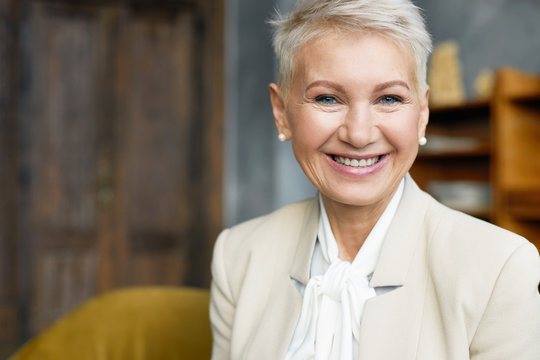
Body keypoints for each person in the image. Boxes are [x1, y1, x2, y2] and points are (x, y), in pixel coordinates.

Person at [209, 0, 540, 359]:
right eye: (328, 98)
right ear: (281, 113)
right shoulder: (237, 256)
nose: (359, 134)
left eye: (388, 98)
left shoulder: (501, 267)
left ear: (422, 114)